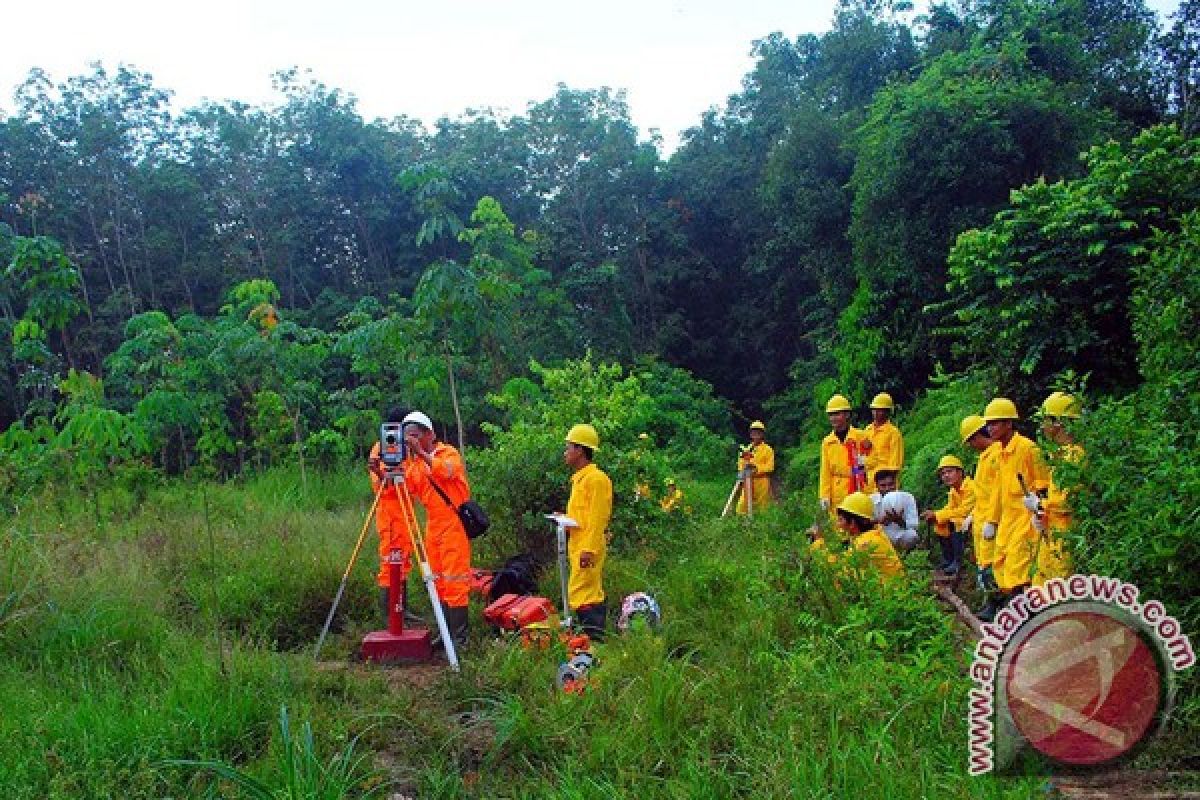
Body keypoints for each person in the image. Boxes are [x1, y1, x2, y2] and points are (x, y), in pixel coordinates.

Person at [399, 410, 473, 649]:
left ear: (429, 434)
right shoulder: (415, 463)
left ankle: (460, 640)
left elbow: (447, 471)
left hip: (453, 525)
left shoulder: (447, 453)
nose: (411, 440)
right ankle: (445, 635)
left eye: (414, 435)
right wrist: (385, 472)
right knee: (438, 582)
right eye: (407, 436)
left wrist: (421, 454)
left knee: (455, 582)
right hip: (433, 527)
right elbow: (409, 488)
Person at [978, 398, 1048, 614]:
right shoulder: (999, 454)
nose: (990, 428)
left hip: (1026, 521)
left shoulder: (1028, 449)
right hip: (1008, 521)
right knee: (1002, 566)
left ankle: (1024, 616)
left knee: (1020, 569)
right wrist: (991, 520)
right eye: (988, 424)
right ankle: (1013, 612)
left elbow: (1043, 483)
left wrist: (1039, 506)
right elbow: (998, 492)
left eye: (995, 423)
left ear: (1009, 423)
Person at [562, 423, 613, 639]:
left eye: (568, 448)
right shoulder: (581, 479)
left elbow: (597, 518)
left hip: (586, 548)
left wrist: (589, 550)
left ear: (580, 450)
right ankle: (589, 641)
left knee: (585, 594)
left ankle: (595, 641)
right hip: (579, 545)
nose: (565, 453)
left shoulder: (597, 480)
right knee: (582, 592)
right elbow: (583, 516)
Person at [367, 407, 416, 626]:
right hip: (389, 513)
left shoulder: (408, 448)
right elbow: (382, 485)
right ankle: (390, 615)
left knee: (404, 562)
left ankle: (402, 610)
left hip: (406, 511)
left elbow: (411, 480)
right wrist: (380, 473)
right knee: (389, 564)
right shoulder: (381, 448)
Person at [1033, 392, 1084, 586]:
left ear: (1058, 423)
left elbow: (1066, 502)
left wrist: (1039, 504)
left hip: (1065, 535)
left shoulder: (1074, 457)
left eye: (1045, 420)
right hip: (1053, 532)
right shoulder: (1061, 456)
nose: (1042, 426)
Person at [960, 414, 1003, 620]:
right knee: (984, 565)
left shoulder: (996, 455)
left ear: (977, 436)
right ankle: (991, 605)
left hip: (992, 521)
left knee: (992, 567)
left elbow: (997, 492)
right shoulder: (985, 456)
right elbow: (982, 494)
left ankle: (997, 607)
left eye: (970, 441)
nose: (970, 446)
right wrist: (973, 515)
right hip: (982, 518)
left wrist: (992, 521)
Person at [811, 491, 904, 583]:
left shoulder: (865, 543)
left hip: (889, 594)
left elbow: (836, 567)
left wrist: (818, 542)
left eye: (841, 520)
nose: (838, 524)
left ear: (852, 523)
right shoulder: (874, 534)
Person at [921, 455, 974, 575]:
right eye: (943, 473)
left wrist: (938, 514)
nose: (946, 476)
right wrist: (936, 515)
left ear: (960, 472)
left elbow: (964, 511)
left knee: (954, 521)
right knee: (940, 524)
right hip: (964, 520)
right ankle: (948, 559)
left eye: (949, 471)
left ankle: (958, 561)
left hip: (975, 518)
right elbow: (950, 508)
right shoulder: (954, 490)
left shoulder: (970, 487)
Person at [819, 394, 867, 524]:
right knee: (839, 524)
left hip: (857, 486)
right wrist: (824, 495)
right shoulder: (827, 442)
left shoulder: (860, 436)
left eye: (837, 414)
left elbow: (866, 463)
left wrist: (857, 476)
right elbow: (825, 472)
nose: (833, 418)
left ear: (846, 415)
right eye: (831, 415)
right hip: (837, 489)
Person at [862, 392, 904, 492]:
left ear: (887, 412)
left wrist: (889, 487)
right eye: (874, 410)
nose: (876, 413)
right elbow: (860, 458)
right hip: (867, 485)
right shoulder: (867, 431)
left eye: (880, 410)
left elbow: (895, 465)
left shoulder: (893, 433)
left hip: (884, 486)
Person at [871, 466, 919, 553]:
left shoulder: (907, 497)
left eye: (891, 484)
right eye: (883, 485)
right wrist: (879, 521)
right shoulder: (871, 500)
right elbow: (862, 522)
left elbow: (914, 525)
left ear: (896, 484)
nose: (887, 489)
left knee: (912, 535)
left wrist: (899, 521)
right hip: (880, 537)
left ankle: (907, 553)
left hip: (900, 535)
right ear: (877, 486)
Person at [736, 420, 775, 514]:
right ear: (750, 434)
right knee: (742, 507)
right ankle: (743, 526)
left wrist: (756, 468)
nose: (756, 434)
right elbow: (741, 463)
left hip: (761, 482)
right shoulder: (747, 449)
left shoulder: (768, 449)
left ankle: (760, 527)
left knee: (762, 508)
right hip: (748, 481)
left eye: (758, 432)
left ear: (762, 434)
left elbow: (770, 467)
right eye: (754, 432)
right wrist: (742, 470)